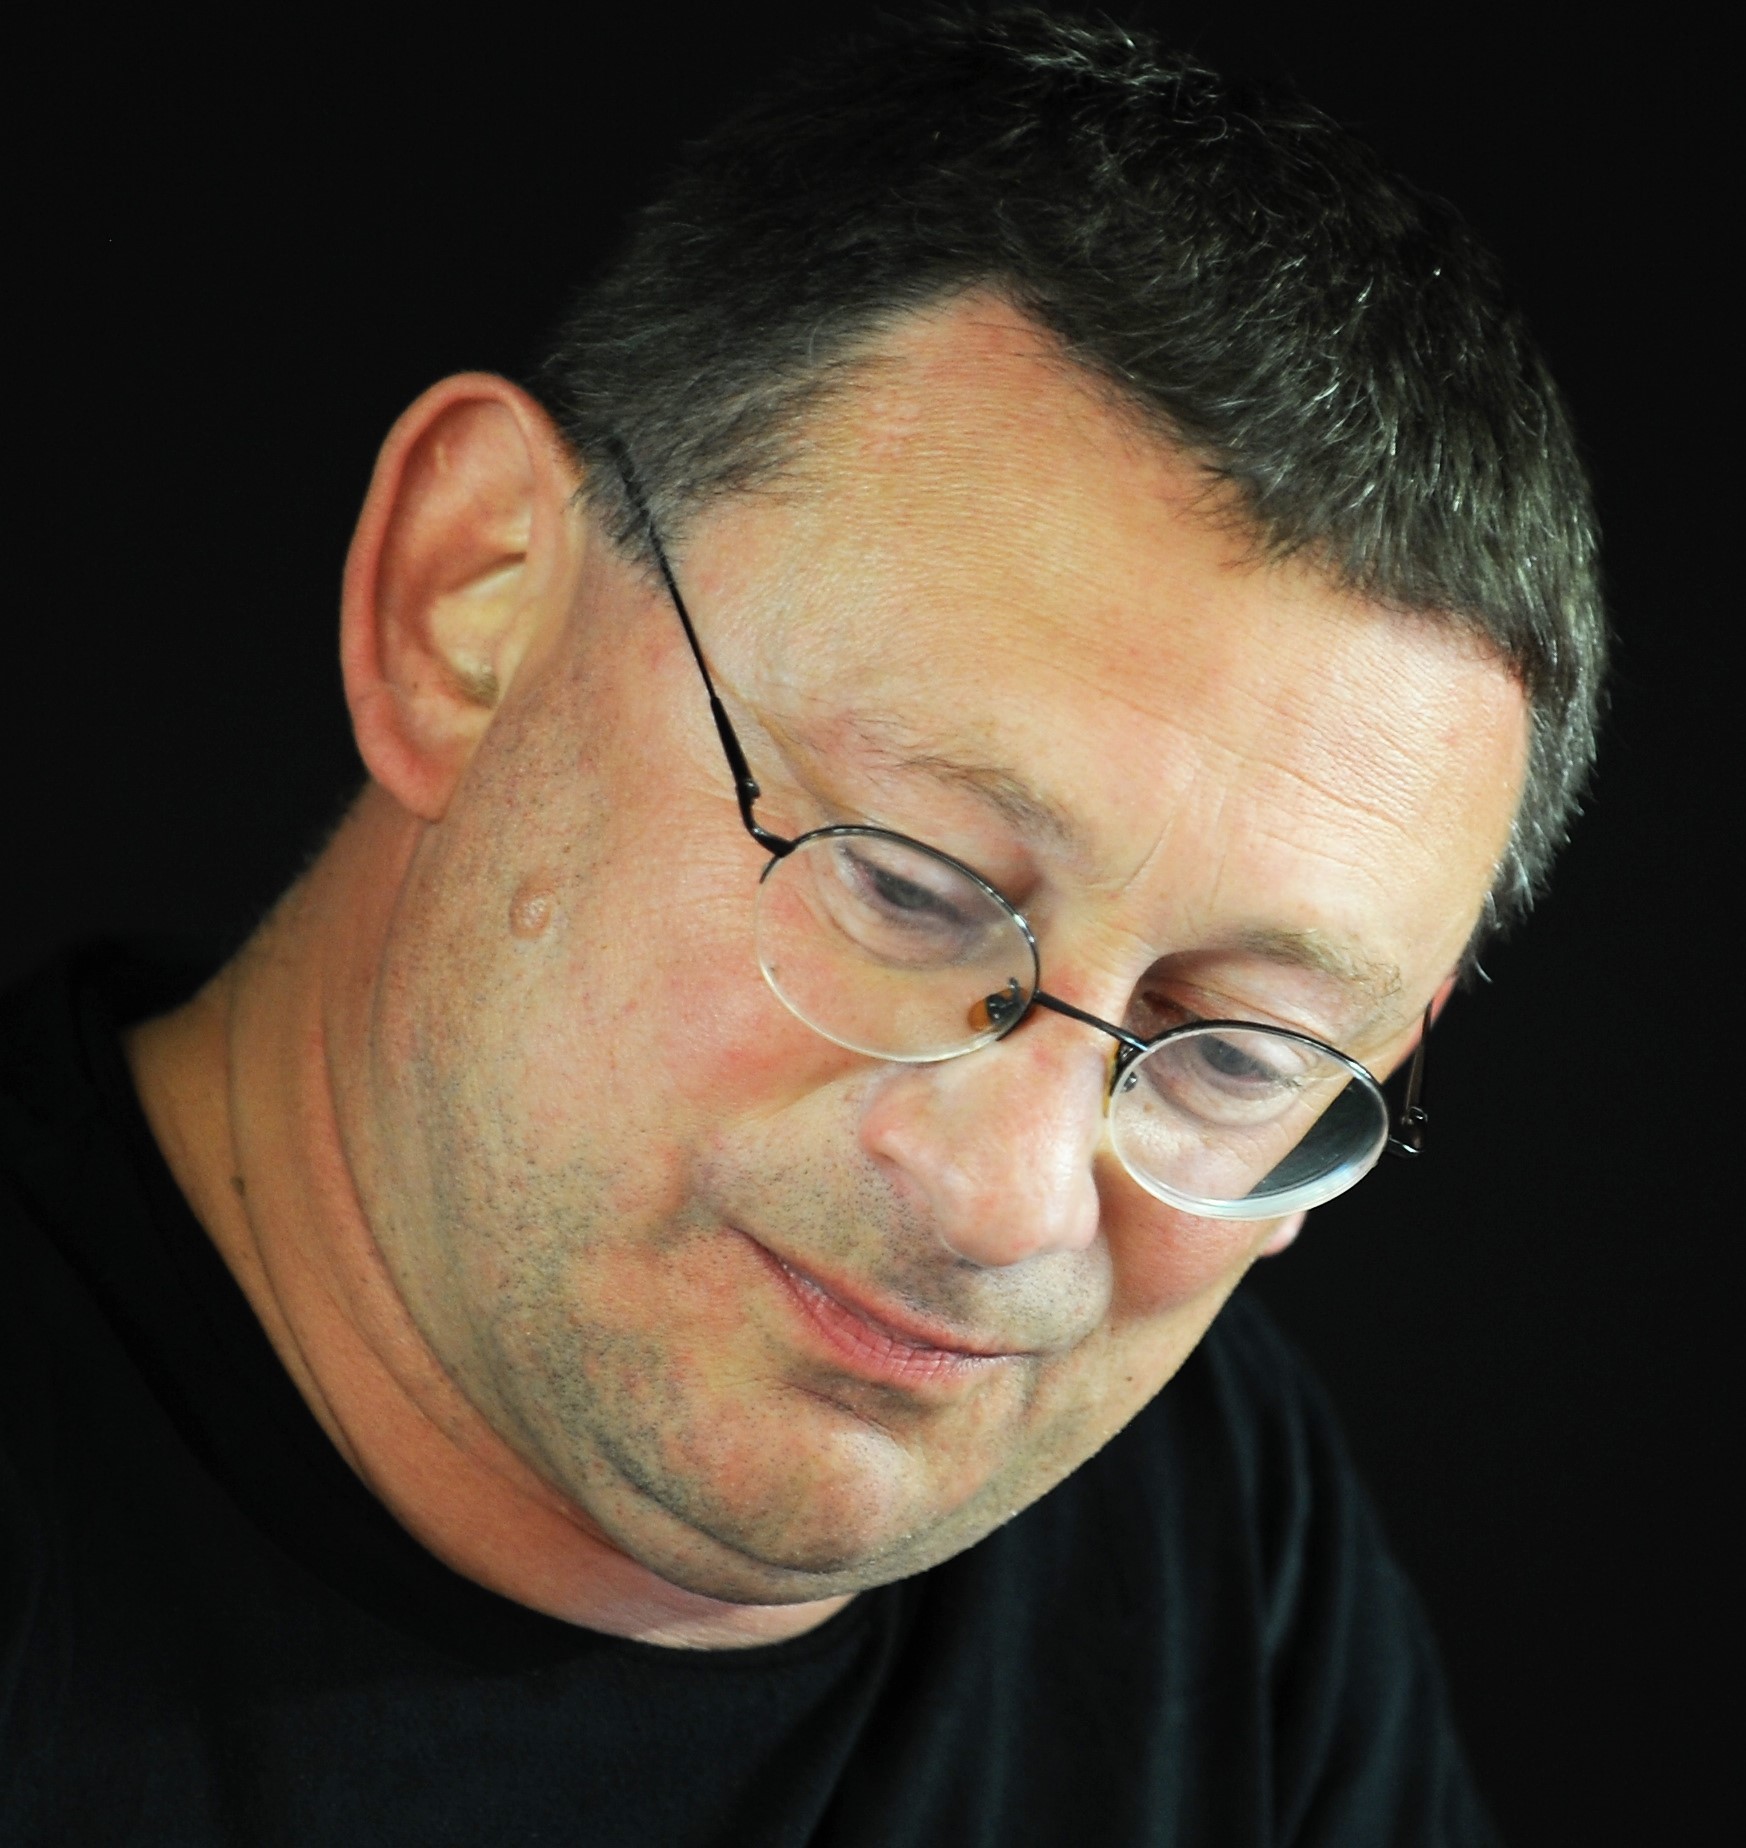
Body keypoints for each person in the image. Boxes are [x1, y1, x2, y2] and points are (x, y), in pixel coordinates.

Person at [0, 10, 1605, 1843]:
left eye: (1233, 1051)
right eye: (909, 888)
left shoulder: (1218, 1551)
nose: (1005, 1205)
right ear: (472, 611)